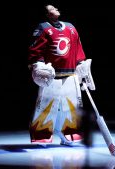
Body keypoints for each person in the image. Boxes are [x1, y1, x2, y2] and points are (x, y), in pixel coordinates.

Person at [28, 4, 95, 146]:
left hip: (71, 74)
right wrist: (37, 65)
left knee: (72, 107)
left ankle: (70, 134)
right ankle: (41, 135)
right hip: (51, 76)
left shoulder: (71, 27)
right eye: (52, 8)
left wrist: (81, 65)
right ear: (47, 14)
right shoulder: (43, 28)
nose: (56, 8)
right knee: (46, 105)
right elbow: (36, 49)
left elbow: (77, 47)